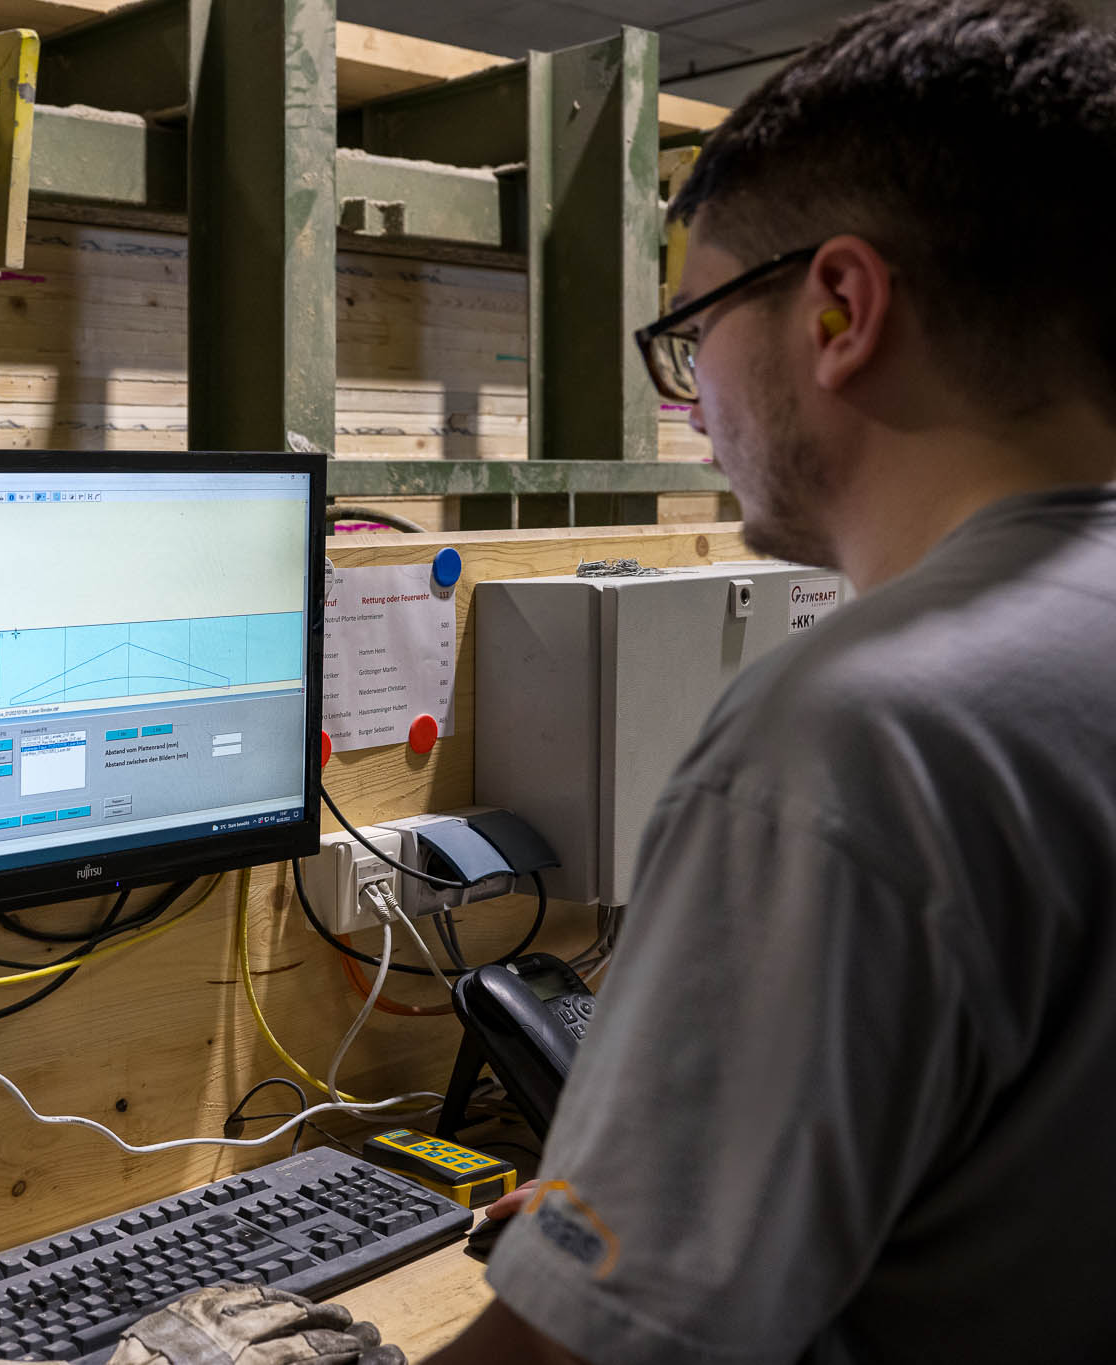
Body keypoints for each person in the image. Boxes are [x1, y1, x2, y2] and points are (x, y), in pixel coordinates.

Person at [416, 1, 1116, 1361]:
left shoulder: (860, 731)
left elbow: (577, 1356)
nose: (693, 405)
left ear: (841, 308)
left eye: (694, 328)